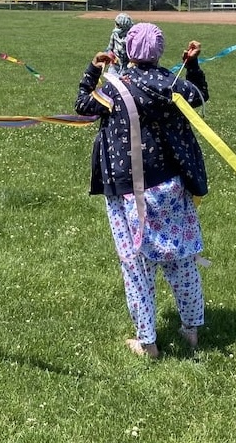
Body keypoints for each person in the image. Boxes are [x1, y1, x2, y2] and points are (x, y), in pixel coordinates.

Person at [74, 22, 209, 358]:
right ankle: (191, 331)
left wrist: (93, 69)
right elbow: (200, 94)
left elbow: (81, 104)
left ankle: (147, 342)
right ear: (159, 51)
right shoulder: (171, 84)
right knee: (181, 260)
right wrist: (191, 65)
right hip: (170, 185)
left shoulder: (116, 88)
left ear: (128, 50)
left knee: (136, 266)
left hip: (127, 190)